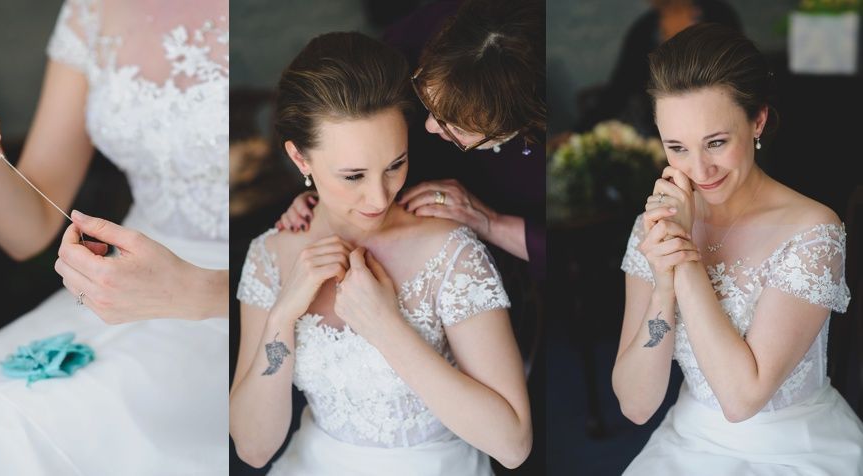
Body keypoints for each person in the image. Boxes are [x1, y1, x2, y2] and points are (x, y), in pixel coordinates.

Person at [0, 0, 229, 473]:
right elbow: (30, 228)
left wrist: (192, 291)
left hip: (238, 301)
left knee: (9, 434)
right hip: (109, 291)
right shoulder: (92, 10)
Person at [230, 32, 532, 475]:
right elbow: (254, 449)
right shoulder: (268, 257)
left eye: (395, 164)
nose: (379, 196)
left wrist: (386, 327)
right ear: (300, 158)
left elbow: (513, 444)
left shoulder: (450, 252)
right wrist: (281, 319)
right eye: (353, 175)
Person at [613, 23, 863, 474]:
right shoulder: (653, 227)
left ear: (757, 121)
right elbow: (635, 404)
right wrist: (663, 286)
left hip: (794, 450)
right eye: (677, 147)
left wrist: (683, 257)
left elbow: (741, 398)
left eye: (716, 142)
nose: (699, 169)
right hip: (688, 441)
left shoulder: (812, 231)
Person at [275, 0, 547, 283]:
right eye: (427, 100)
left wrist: (491, 224)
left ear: (517, 127)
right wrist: (323, 190)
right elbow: (338, 125)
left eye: (458, 127)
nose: (428, 125)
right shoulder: (413, 43)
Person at [575, 0, 741, 137]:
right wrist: (578, 131)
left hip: (719, 116)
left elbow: (739, 69)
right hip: (663, 128)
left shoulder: (718, 14)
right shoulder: (644, 30)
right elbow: (620, 88)